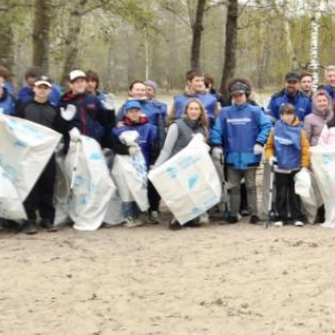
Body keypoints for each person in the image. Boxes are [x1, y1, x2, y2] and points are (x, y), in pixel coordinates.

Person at [211, 80, 272, 225]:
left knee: (251, 186)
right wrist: (217, 145)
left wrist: (260, 142)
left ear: (245, 94)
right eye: (235, 95)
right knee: (233, 186)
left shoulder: (255, 111)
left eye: (240, 95)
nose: (238, 98)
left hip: (250, 154)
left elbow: (266, 126)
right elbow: (217, 130)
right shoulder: (225, 112)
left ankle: (254, 214)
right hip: (231, 155)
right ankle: (233, 214)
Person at [15, 75, 63, 233]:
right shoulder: (24, 107)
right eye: (39, 87)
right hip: (29, 154)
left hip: (48, 155)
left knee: (47, 186)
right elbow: (16, 127)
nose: (42, 91)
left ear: (50, 90)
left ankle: (47, 219)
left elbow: (60, 130)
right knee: (30, 186)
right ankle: (29, 220)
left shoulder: (54, 110)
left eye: (45, 88)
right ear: (34, 88)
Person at [154, 98, 211, 229]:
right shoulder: (176, 125)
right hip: (178, 165)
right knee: (179, 194)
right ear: (186, 110)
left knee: (192, 192)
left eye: (196, 109)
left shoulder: (203, 129)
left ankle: (190, 218)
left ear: (201, 111)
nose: (194, 111)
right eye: (191, 108)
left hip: (194, 166)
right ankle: (176, 220)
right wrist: (157, 167)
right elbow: (166, 149)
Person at [111, 101, 158, 228]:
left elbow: (154, 146)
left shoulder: (150, 128)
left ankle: (142, 213)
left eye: (136, 111)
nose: (134, 114)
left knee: (142, 189)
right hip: (126, 166)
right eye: (131, 111)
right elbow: (115, 146)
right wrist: (127, 150)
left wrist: (153, 162)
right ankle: (128, 215)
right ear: (126, 113)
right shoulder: (119, 129)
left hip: (144, 165)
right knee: (127, 189)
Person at [264, 103, 311, 227]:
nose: (288, 117)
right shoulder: (275, 130)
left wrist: (305, 165)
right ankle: (280, 216)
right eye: (285, 114)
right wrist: (270, 157)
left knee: (294, 193)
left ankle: (296, 216)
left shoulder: (299, 131)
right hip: (280, 166)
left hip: (295, 166)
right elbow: (269, 147)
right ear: (281, 115)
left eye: (290, 114)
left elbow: (305, 148)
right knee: (280, 193)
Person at [59, 70, 112, 145]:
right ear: (70, 84)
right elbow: (58, 126)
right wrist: (69, 127)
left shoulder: (93, 99)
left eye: (82, 81)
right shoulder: (64, 101)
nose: (80, 84)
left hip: (91, 143)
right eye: (77, 82)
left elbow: (104, 121)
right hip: (72, 144)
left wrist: (110, 112)